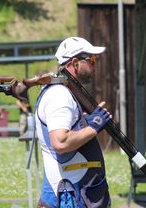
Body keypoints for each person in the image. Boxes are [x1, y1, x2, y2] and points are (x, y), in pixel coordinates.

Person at [35, 36, 112, 208]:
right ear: (75, 63)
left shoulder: (63, 92)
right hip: (69, 195)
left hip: (75, 192)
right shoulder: (59, 95)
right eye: (91, 59)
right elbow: (60, 142)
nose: (95, 64)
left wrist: (85, 122)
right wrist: (94, 126)